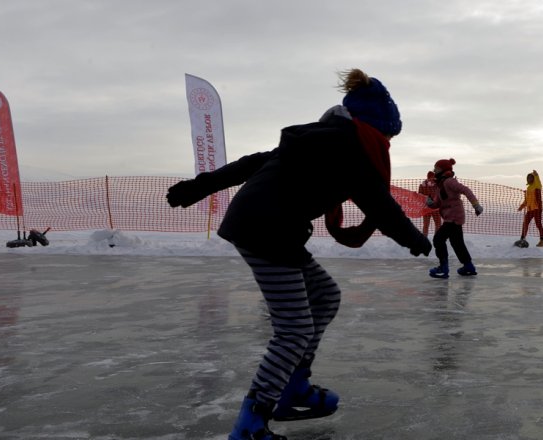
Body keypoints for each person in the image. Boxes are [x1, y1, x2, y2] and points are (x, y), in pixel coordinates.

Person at [166, 68, 431, 440]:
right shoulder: (349, 146)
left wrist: (200, 186)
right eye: (388, 135)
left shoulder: (322, 138)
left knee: (324, 296)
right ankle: (252, 421)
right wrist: (414, 238)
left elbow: (253, 162)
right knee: (293, 329)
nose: (388, 143)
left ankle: (293, 387)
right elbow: (378, 202)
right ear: (375, 127)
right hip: (266, 229)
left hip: (270, 226)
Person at [426, 158, 484, 278]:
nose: (434, 170)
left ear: (442, 170)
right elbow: (438, 203)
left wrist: (476, 205)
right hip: (451, 217)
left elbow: (465, 190)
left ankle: (443, 267)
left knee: (438, 239)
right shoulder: (440, 185)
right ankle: (468, 266)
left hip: (454, 217)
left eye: (436, 168)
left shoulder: (449, 182)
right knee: (457, 243)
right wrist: (430, 203)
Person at [515, 170, 543, 248]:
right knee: (525, 223)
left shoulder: (537, 186)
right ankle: (522, 238)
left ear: (534, 179)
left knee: (538, 224)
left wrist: (536, 175)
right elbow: (527, 200)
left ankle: (542, 241)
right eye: (528, 178)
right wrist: (522, 206)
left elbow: (538, 181)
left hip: (537, 209)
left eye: (531, 178)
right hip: (530, 209)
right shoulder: (528, 188)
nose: (529, 179)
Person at [418, 171, 442, 236]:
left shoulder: (437, 185)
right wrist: (427, 199)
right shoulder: (422, 185)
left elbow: (440, 195)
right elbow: (420, 196)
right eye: (431, 178)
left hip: (435, 208)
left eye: (433, 178)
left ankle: (436, 239)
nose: (432, 179)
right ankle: (424, 239)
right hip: (426, 208)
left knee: (438, 224)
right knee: (426, 225)